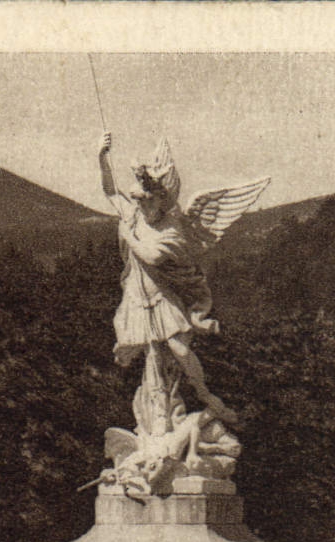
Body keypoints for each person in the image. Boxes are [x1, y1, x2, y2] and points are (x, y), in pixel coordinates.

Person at [98, 133, 269, 427]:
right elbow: (111, 192)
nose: (143, 207)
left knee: (178, 349)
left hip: (164, 298)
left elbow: (151, 256)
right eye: (141, 201)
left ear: (161, 202)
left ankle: (204, 394)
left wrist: (127, 236)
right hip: (138, 299)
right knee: (152, 356)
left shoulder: (172, 230)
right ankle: (160, 417)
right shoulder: (135, 215)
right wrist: (101, 156)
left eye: (149, 202)